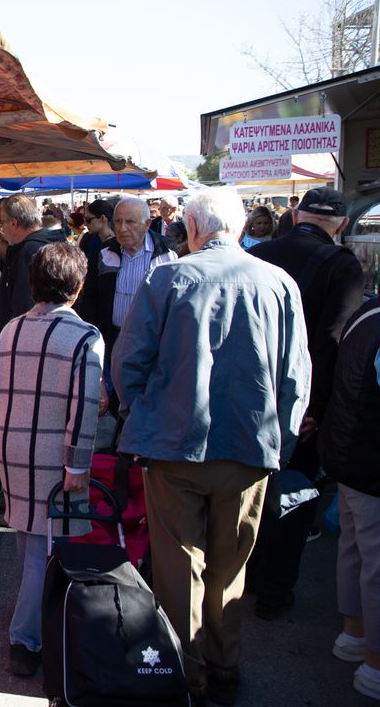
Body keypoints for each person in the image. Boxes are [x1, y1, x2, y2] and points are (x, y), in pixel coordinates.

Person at [113, 188, 311, 706]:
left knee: (181, 567)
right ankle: (225, 664)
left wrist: (143, 411)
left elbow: (128, 361)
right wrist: (282, 440)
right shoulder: (278, 283)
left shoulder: (168, 278)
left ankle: (188, 671)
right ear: (239, 229)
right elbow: (295, 376)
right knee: (230, 565)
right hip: (249, 446)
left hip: (175, 445)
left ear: (194, 229)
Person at [0, 242, 103, 677]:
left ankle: (36, 617)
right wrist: (78, 464)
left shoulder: (11, 328)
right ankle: (27, 637)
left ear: (33, 283)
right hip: (54, 453)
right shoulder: (85, 337)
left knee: (30, 539)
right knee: (43, 547)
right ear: (77, 286)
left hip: (9, 445)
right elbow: (85, 407)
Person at [245, 186, 365, 619]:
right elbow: (335, 339)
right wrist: (315, 408)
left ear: (297, 217)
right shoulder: (343, 264)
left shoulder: (259, 254)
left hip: (249, 392)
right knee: (294, 493)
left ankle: (248, 573)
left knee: (249, 485)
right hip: (303, 399)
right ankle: (274, 592)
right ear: (342, 225)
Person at [318, 296, 380, 701]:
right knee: (373, 560)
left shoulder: (366, 312)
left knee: (355, 548)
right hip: (369, 458)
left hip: (349, 449)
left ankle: (354, 635)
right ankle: (374, 663)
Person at [77, 197, 175, 389]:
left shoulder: (167, 252)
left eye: (130, 222)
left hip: (150, 343)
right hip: (112, 339)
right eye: (118, 222)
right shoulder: (105, 251)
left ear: (147, 224)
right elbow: (90, 298)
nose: (122, 228)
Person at [0, 194, 68, 342]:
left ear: (14, 223)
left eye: (2, 222)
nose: (1, 228)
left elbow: (24, 303)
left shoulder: (30, 250)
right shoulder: (41, 245)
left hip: (22, 340)